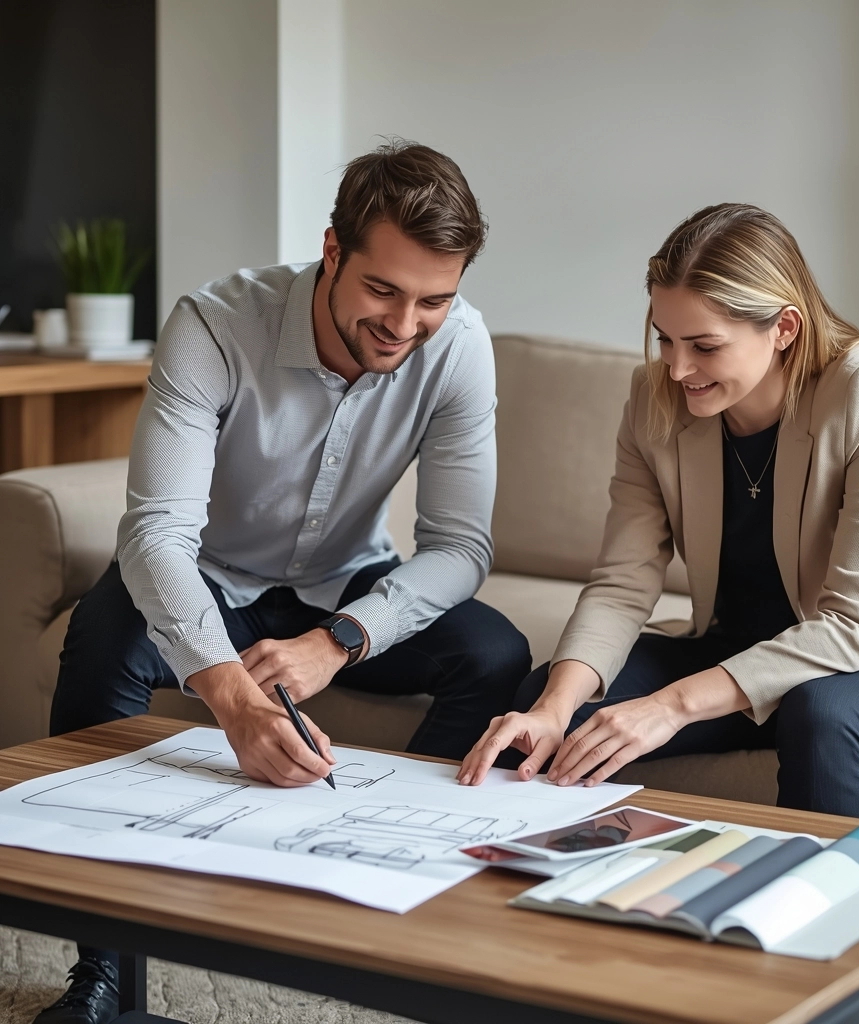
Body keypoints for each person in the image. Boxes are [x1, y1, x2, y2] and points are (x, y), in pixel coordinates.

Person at [37, 140, 530, 1024]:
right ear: (333, 250)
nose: (405, 324)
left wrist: (338, 642)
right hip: (207, 573)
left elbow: (459, 546)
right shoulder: (215, 323)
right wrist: (225, 690)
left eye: (433, 299)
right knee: (104, 633)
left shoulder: (458, 347)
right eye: (383, 290)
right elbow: (156, 533)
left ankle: (376, 886)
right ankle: (103, 967)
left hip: (343, 584)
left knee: (495, 651)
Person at [459, 202, 859, 819]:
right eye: (665, 339)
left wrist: (669, 706)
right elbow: (623, 583)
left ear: (784, 328)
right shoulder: (655, 398)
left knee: (820, 714)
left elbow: (851, 627)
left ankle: (836, 906)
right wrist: (552, 708)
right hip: (737, 648)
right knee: (550, 705)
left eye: (704, 345)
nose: (678, 369)